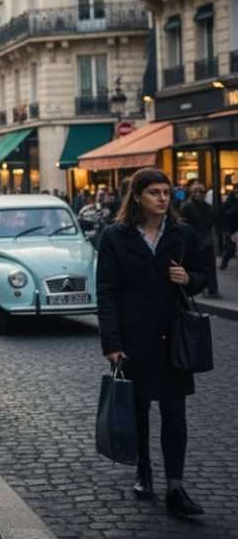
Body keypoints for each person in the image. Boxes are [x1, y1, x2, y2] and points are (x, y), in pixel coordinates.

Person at [97, 167, 208, 517]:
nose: (162, 199)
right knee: (140, 410)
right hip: (135, 337)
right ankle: (143, 471)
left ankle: (175, 485)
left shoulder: (182, 234)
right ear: (138, 197)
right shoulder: (116, 236)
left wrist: (188, 278)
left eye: (166, 192)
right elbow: (107, 293)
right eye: (154, 193)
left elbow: (203, 275)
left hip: (174, 339)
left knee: (175, 412)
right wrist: (112, 342)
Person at [179, 181, 220, 299]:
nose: (198, 194)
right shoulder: (187, 206)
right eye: (195, 191)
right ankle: (203, 288)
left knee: (210, 266)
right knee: (198, 266)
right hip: (194, 241)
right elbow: (184, 224)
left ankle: (212, 289)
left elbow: (212, 221)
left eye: (201, 192)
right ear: (192, 193)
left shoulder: (207, 207)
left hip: (206, 240)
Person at [221, 187, 238, 271]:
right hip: (231, 228)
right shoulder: (230, 201)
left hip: (232, 228)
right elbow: (225, 215)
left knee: (230, 248)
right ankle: (224, 263)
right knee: (229, 248)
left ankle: (224, 263)